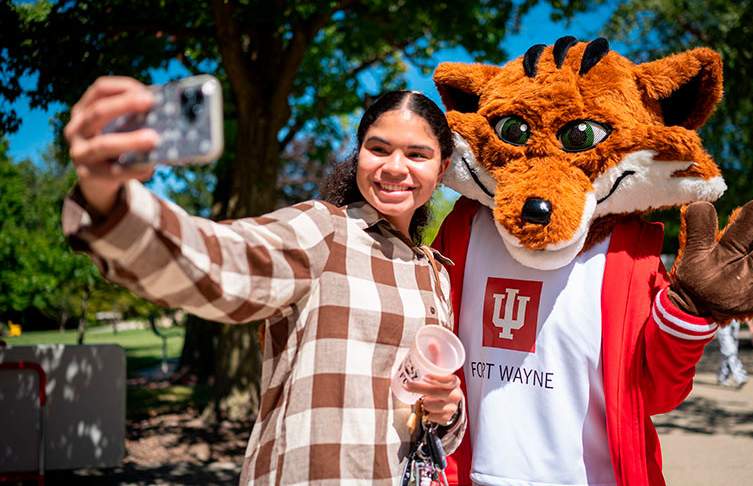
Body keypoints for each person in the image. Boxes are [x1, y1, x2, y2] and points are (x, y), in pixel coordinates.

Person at [61, 77, 465, 485]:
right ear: (359, 153)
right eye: (379, 148)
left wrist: (448, 411)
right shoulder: (326, 231)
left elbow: (437, 430)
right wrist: (108, 198)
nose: (395, 166)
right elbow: (217, 260)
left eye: (417, 154)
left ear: (442, 167)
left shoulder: (436, 273)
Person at [717, 319, 753, 388]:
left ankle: (722, 376)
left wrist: (751, 327)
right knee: (730, 351)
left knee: (728, 351)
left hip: (735, 322)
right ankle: (740, 376)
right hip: (722, 321)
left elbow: (744, 310)